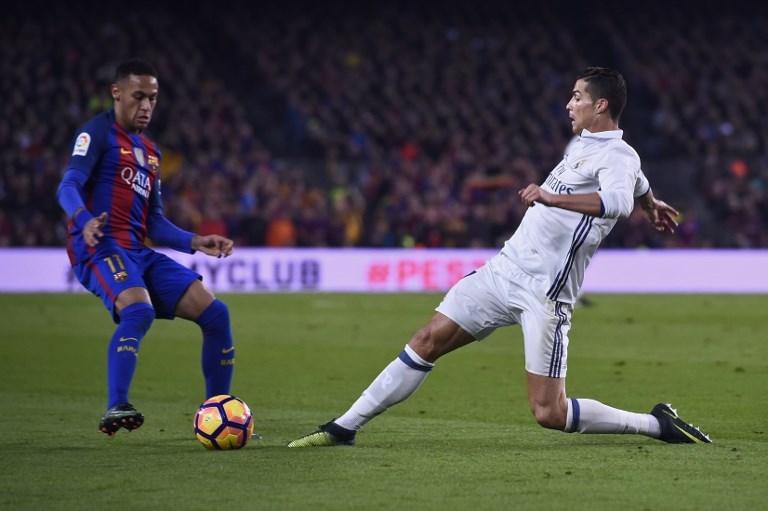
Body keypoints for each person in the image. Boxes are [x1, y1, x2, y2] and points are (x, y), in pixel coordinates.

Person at [288, 67, 711, 447]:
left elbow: (617, 201)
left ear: (600, 105)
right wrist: (651, 201)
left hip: (545, 293)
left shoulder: (617, 155)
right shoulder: (587, 146)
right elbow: (635, 184)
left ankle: (656, 425)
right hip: (504, 271)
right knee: (427, 339)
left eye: (577, 97)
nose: (569, 103)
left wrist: (552, 196)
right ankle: (344, 427)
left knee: (550, 412)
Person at [56, 59, 237, 436]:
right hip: (101, 247)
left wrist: (195, 241)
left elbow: (154, 222)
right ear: (116, 93)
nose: (146, 106)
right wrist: (84, 218)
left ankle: (216, 411)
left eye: (152, 98)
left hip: (138, 251)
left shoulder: (151, 153)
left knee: (216, 314)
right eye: (138, 96)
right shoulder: (97, 133)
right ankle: (115, 405)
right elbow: (68, 185)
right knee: (138, 311)